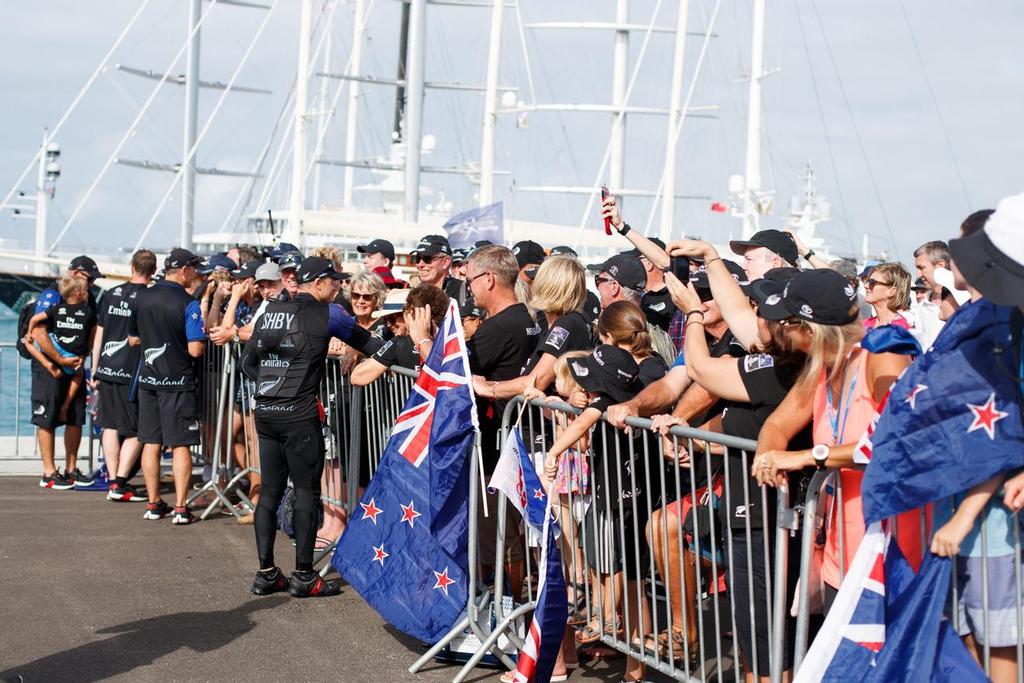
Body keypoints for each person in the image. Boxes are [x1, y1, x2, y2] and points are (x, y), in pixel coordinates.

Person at [659, 268, 808, 679]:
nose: (756, 316)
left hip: (767, 516)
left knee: (769, 635)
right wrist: (690, 433)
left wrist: (691, 314)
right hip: (753, 513)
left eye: (766, 311)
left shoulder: (781, 368)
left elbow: (703, 370)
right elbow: (735, 421)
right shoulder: (781, 362)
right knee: (754, 633)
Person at [750, 269, 926, 610]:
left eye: (784, 323)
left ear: (807, 329)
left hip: (885, 549)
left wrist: (803, 457)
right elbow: (776, 426)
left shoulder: (880, 357)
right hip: (839, 550)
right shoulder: (822, 367)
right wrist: (767, 457)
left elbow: (896, 437)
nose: (779, 331)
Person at [240, 256, 382, 598]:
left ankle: (266, 574)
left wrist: (273, 387)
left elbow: (247, 363)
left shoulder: (271, 309)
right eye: (334, 282)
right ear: (317, 283)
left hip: (268, 411)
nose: (339, 288)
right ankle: (304, 575)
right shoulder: (329, 314)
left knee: (270, 492)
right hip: (300, 414)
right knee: (305, 491)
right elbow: (376, 345)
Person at [465, 245, 539, 596]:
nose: (469, 289)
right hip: (514, 441)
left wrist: (422, 341)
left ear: (489, 279)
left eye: (470, 281)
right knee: (508, 531)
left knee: (499, 532)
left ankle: (502, 608)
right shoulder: (526, 318)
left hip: (499, 448)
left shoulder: (497, 328)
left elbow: (456, 373)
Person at [129, 248, 208, 525]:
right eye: (195, 269)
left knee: (151, 442)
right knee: (180, 445)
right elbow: (196, 350)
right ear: (184, 270)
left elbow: (133, 339)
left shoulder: (141, 297)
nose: (196, 274)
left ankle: (153, 504)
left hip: (149, 380)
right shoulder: (188, 303)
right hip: (177, 382)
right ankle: (181, 507)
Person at [473, 255, 592, 401]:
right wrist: (486, 384)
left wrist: (490, 390)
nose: (531, 285)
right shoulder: (558, 322)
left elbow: (537, 381)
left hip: (549, 421)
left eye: (536, 279)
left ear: (549, 286)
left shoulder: (567, 324)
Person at [28, 254, 101, 489]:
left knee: (75, 416)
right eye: (90, 279)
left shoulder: (88, 299)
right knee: (46, 417)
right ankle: (49, 472)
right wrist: (58, 359)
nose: (91, 285)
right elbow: (38, 331)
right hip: (49, 364)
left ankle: (71, 468)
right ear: (76, 273)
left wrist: (85, 354)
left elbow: (93, 328)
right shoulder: (52, 295)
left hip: (75, 363)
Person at [93, 249, 157, 502]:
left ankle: (112, 480)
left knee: (109, 425)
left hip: (107, 367)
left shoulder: (111, 294)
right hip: (132, 371)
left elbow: (99, 334)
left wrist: (95, 368)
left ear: (131, 267)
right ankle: (119, 483)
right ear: (152, 272)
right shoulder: (148, 298)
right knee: (137, 429)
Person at [728, 229, 799, 280]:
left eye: (749, 259)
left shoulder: (792, 299)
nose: (743, 267)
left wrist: (807, 253)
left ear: (776, 263)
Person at [862, 262, 913, 330]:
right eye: (867, 281)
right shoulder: (865, 324)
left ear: (892, 291)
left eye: (872, 282)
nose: (866, 286)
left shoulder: (899, 331)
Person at [410, 234, 462, 300]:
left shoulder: (462, 291)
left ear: (445, 262)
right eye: (417, 258)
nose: (420, 264)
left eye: (427, 258)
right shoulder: (415, 293)